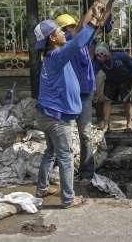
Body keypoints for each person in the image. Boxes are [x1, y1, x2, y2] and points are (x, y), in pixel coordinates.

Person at [34, 1, 108, 209]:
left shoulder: (51, 55)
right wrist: (93, 20)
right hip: (57, 117)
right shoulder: (57, 55)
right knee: (65, 157)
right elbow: (78, 41)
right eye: (60, 31)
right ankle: (68, 199)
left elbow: (76, 39)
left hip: (47, 113)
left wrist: (93, 15)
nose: (64, 34)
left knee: (50, 151)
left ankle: (41, 188)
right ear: (52, 38)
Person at [55, 13, 97, 182]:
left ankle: (87, 172)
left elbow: (89, 26)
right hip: (68, 96)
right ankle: (62, 170)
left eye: (72, 27)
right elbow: (83, 26)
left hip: (85, 94)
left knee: (85, 133)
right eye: (66, 29)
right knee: (64, 134)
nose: (71, 31)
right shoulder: (64, 49)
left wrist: (98, 8)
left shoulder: (82, 42)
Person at [93, 43, 132, 132]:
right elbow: (93, 72)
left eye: (101, 56)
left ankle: (129, 125)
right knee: (107, 101)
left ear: (106, 54)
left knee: (127, 102)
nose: (99, 58)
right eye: (97, 56)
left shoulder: (121, 56)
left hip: (125, 80)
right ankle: (106, 125)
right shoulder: (98, 62)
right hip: (111, 82)